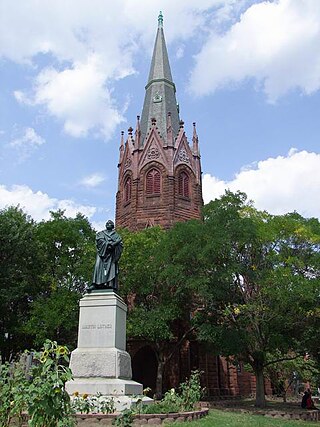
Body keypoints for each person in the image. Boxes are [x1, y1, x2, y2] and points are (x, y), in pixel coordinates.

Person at [88, 220, 123, 292]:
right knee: (98, 267)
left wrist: (115, 245)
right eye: (107, 223)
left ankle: (109, 284)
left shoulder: (117, 236)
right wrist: (109, 244)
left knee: (111, 269)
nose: (108, 224)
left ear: (113, 226)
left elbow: (120, 245)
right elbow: (99, 241)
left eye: (110, 223)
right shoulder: (101, 233)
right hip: (102, 255)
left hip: (111, 255)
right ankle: (95, 284)